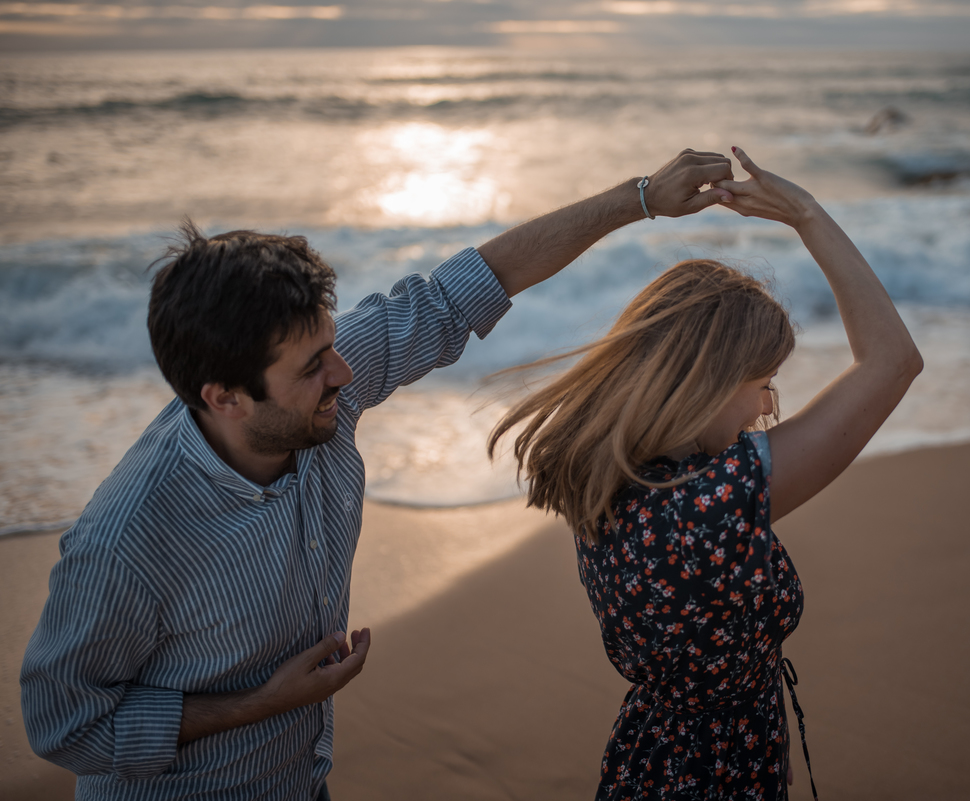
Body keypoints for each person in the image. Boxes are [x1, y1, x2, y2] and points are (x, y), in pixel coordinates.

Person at [19, 150, 738, 800]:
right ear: (224, 397)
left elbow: (461, 291)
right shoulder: (128, 541)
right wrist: (259, 703)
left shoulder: (327, 380)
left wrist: (640, 196)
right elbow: (64, 725)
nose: (343, 372)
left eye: (330, 346)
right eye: (312, 369)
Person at [489, 147, 923, 800]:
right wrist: (806, 215)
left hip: (651, 755)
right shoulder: (712, 502)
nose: (768, 406)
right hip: (718, 772)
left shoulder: (609, 473)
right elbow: (891, 361)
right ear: (706, 386)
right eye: (762, 383)